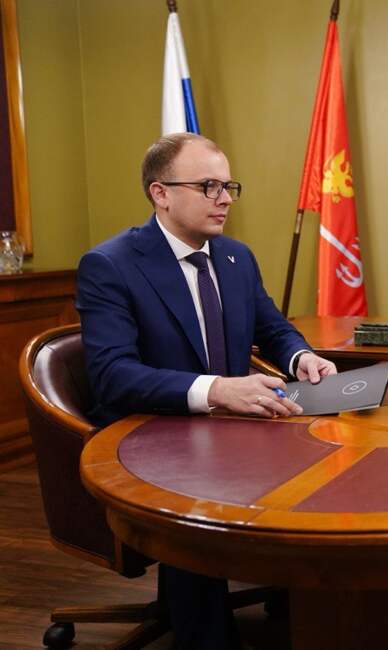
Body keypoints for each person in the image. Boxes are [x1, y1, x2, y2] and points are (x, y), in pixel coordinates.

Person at [76, 132, 336, 648]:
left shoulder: (235, 257)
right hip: (151, 434)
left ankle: (303, 610)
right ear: (160, 193)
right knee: (197, 497)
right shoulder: (110, 265)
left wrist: (301, 357)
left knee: (318, 470)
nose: (225, 199)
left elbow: (273, 328)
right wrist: (216, 390)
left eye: (228, 186)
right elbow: (112, 375)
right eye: (208, 186)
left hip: (231, 429)